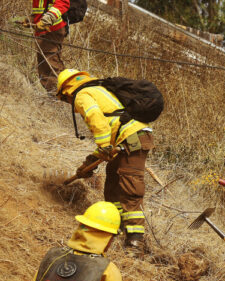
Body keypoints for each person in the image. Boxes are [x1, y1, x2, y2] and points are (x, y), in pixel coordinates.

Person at [56, 68, 155, 253]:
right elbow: (111, 130)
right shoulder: (98, 90)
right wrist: (89, 163)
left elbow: (98, 122)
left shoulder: (82, 95)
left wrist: (102, 147)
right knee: (113, 183)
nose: (69, 103)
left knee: (130, 186)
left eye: (64, 99)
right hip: (127, 138)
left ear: (66, 91)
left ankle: (135, 242)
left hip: (132, 138)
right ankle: (114, 224)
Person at [31, 1, 69, 94]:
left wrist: (47, 19)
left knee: (50, 65)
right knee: (47, 64)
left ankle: (56, 96)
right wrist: (31, 20)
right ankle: (62, 93)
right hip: (45, 28)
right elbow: (40, 7)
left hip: (52, 28)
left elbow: (63, 2)